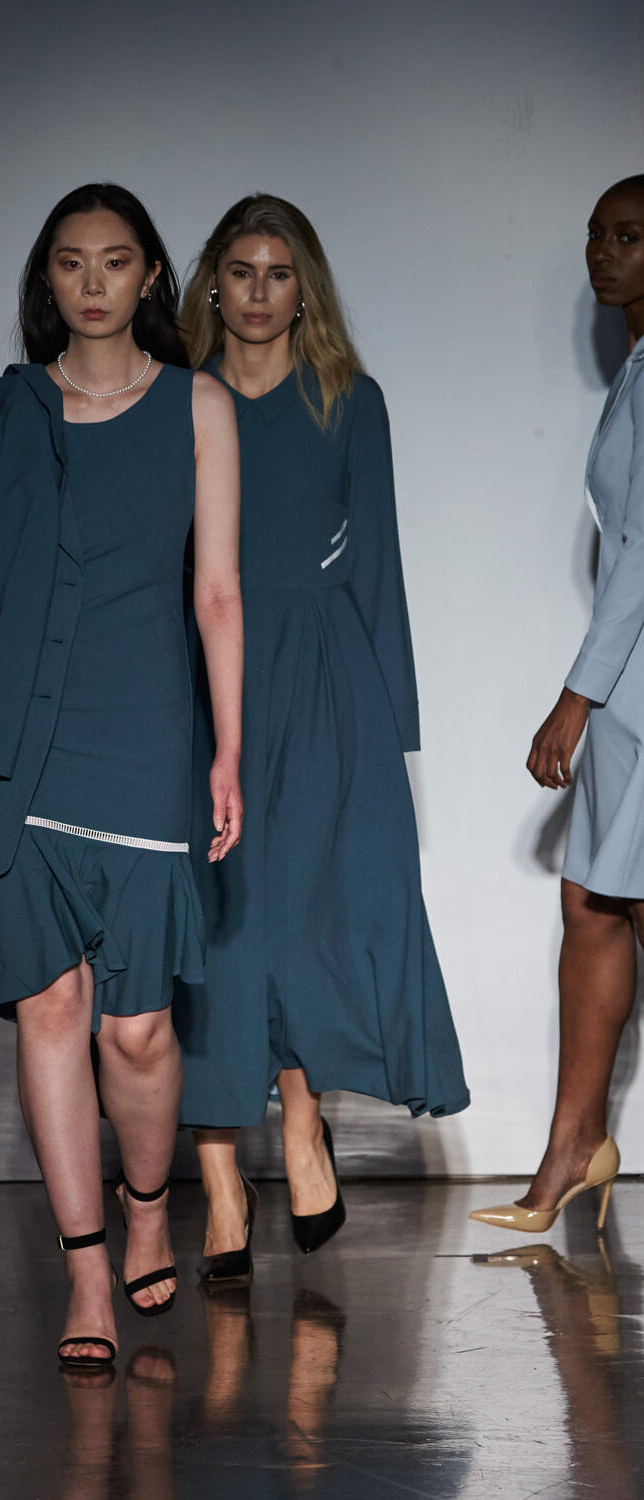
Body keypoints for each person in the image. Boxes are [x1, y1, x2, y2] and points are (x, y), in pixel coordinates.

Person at [0, 184, 243, 1364]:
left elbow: (216, 590)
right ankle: (86, 1273)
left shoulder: (198, 404)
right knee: (49, 1007)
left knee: (135, 1030)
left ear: (151, 276)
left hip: (144, 738)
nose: (92, 282)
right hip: (22, 750)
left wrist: (227, 749)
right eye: (69, 261)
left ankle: (147, 1210)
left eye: (115, 259)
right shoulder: (2, 413)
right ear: (46, 279)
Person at [173, 194, 469, 1279]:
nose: (258, 292)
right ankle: (217, 1173)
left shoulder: (349, 398)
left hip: (321, 677)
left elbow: (377, 563)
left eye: (278, 272)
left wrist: (388, 725)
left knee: (296, 916)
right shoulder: (176, 398)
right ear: (213, 284)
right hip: (203, 677)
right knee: (211, 927)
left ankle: (300, 1123)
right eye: (240, 271)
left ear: (306, 289)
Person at [471, 175, 644, 1234]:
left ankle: (572, 1153)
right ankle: (573, 1151)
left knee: (621, 907)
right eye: (595, 234)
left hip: (626, 686)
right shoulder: (635, 368)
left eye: (628, 236)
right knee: (590, 908)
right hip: (630, 691)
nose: (602, 252)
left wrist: (571, 701)